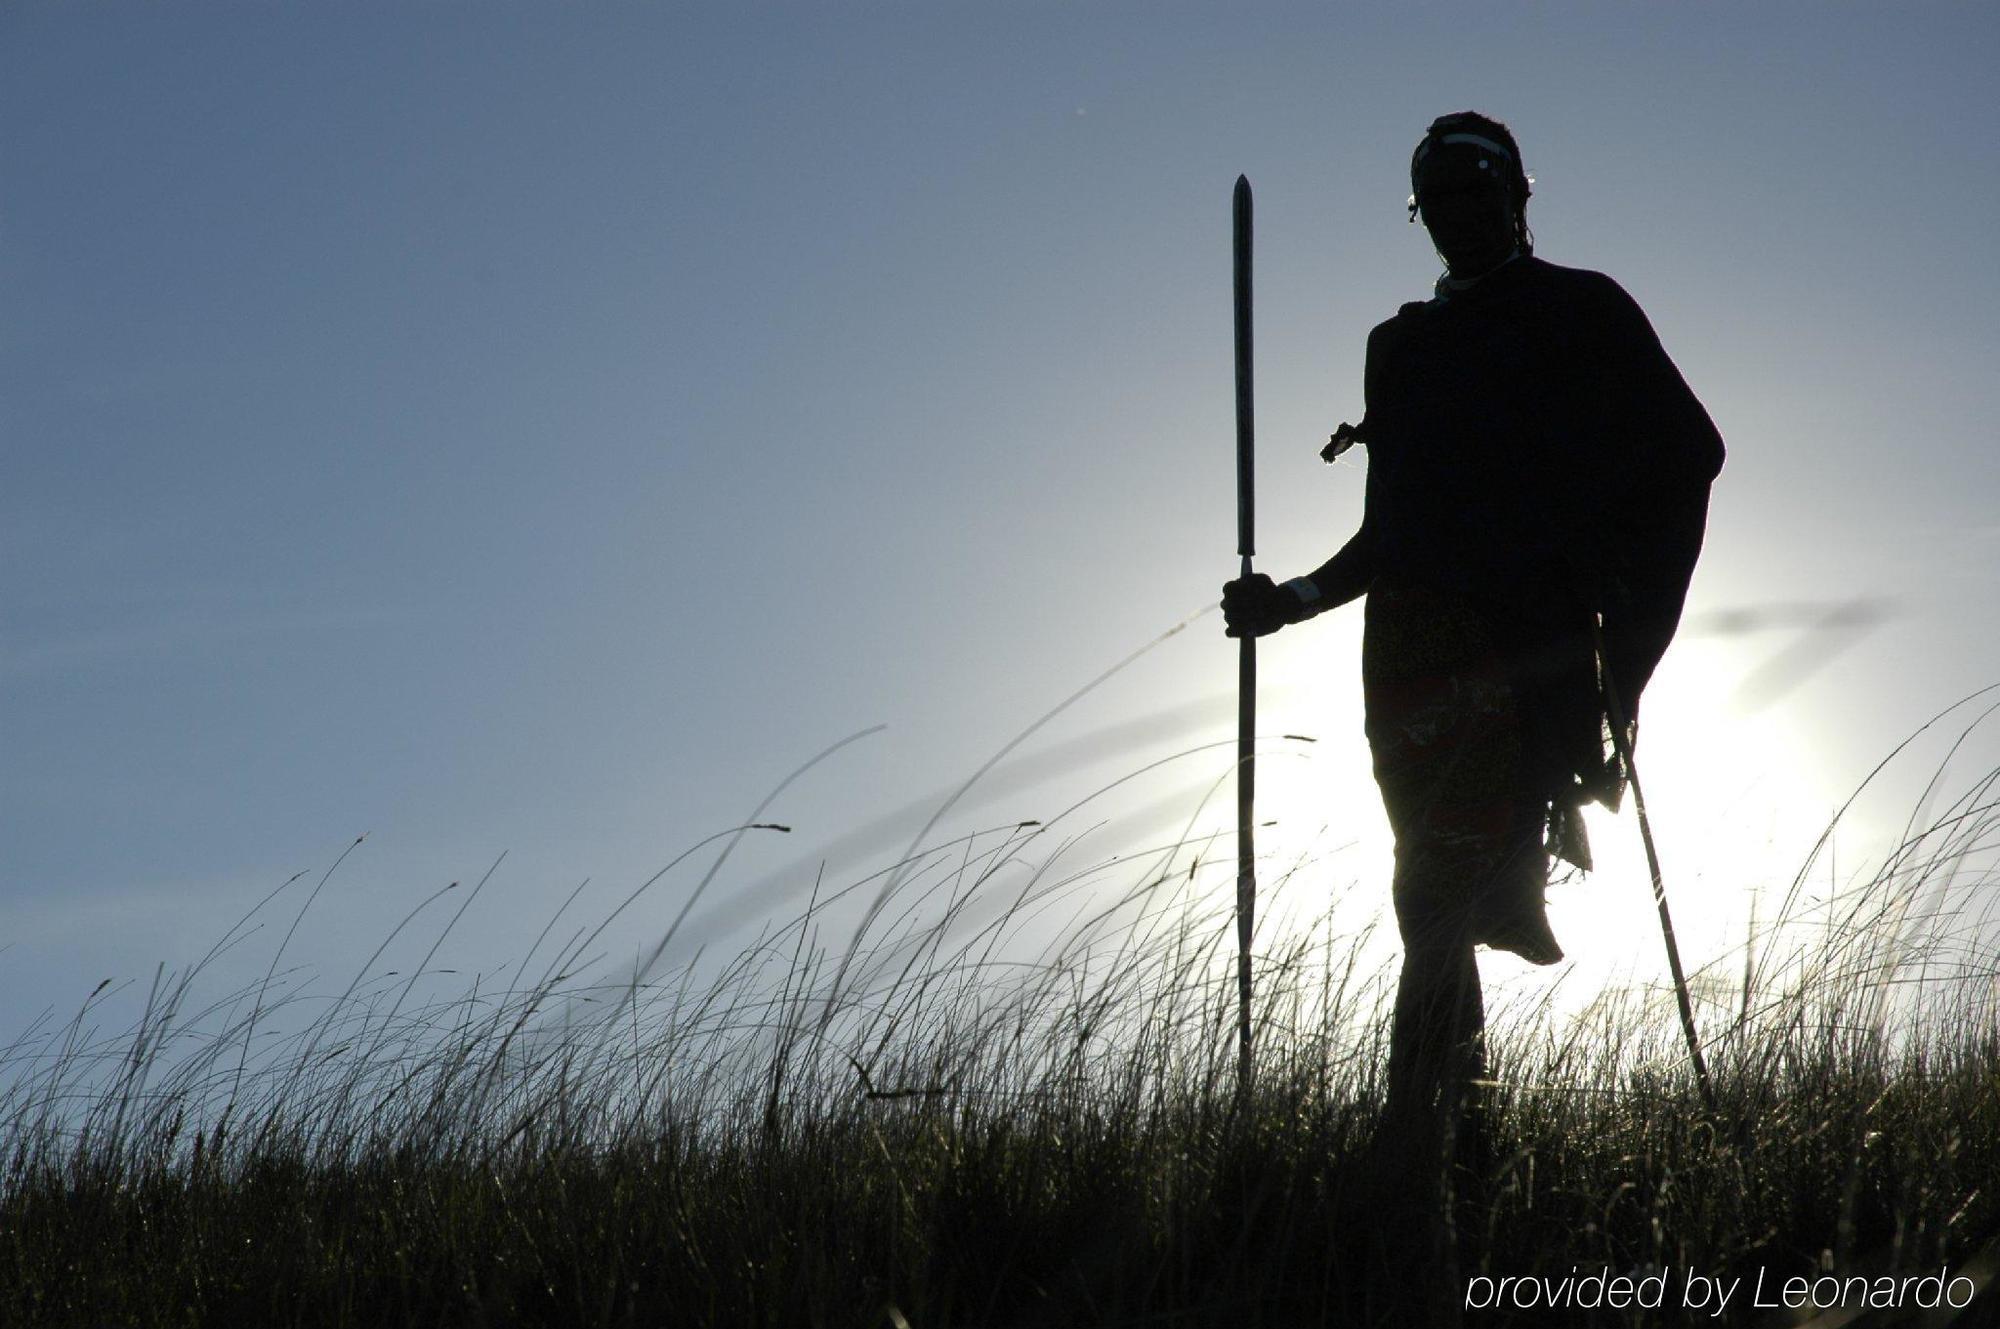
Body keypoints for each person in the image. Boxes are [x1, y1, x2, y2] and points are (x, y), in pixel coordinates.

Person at [1222, 112, 1725, 1131]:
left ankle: (1422, 1134)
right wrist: (1294, 601)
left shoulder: (1579, 310)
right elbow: (1390, 530)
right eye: (1436, 198)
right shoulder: (1399, 347)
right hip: (1406, 647)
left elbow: (1683, 452)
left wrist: (1599, 585)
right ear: (1420, 213)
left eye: (1475, 190)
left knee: (1434, 894)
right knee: (1427, 889)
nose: (1457, 213)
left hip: (1519, 638)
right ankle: (1455, 1130)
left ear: (1517, 196)